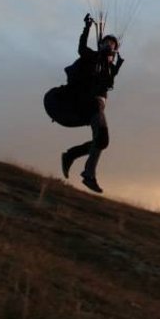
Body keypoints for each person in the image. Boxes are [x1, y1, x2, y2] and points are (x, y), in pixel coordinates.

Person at [60, 13, 123, 193]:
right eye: (106, 43)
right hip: (89, 102)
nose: (109, 45)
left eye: (112, 44)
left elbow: (108, 81)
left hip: (98, 104)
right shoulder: (91, 57)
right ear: (101, 44)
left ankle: (72, 155)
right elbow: (81, 48)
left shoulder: (110, 68)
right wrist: (87, 28)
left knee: (102, 141)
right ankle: (88, 174)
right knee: (102, 139)